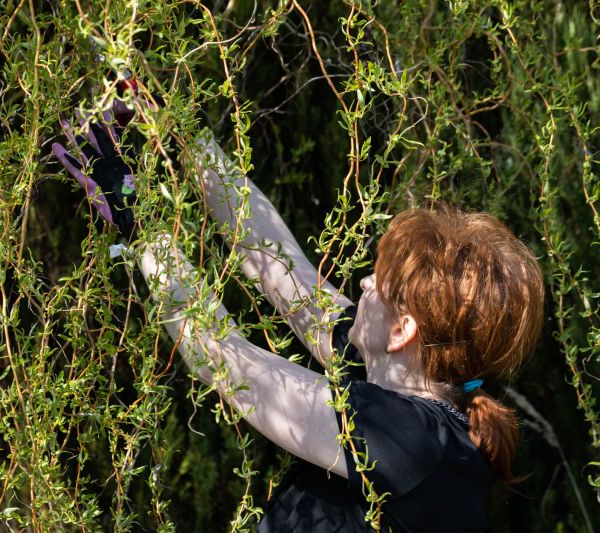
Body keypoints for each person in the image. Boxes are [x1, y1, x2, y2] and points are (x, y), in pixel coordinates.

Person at [53, 102, 544, 532]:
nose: (363, 285)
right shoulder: (397, 393)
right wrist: (180, 128)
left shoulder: (409, 440)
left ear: (402, 331)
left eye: (380, 284)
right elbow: (275, 259)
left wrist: (138, 217)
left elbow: (225, 360)